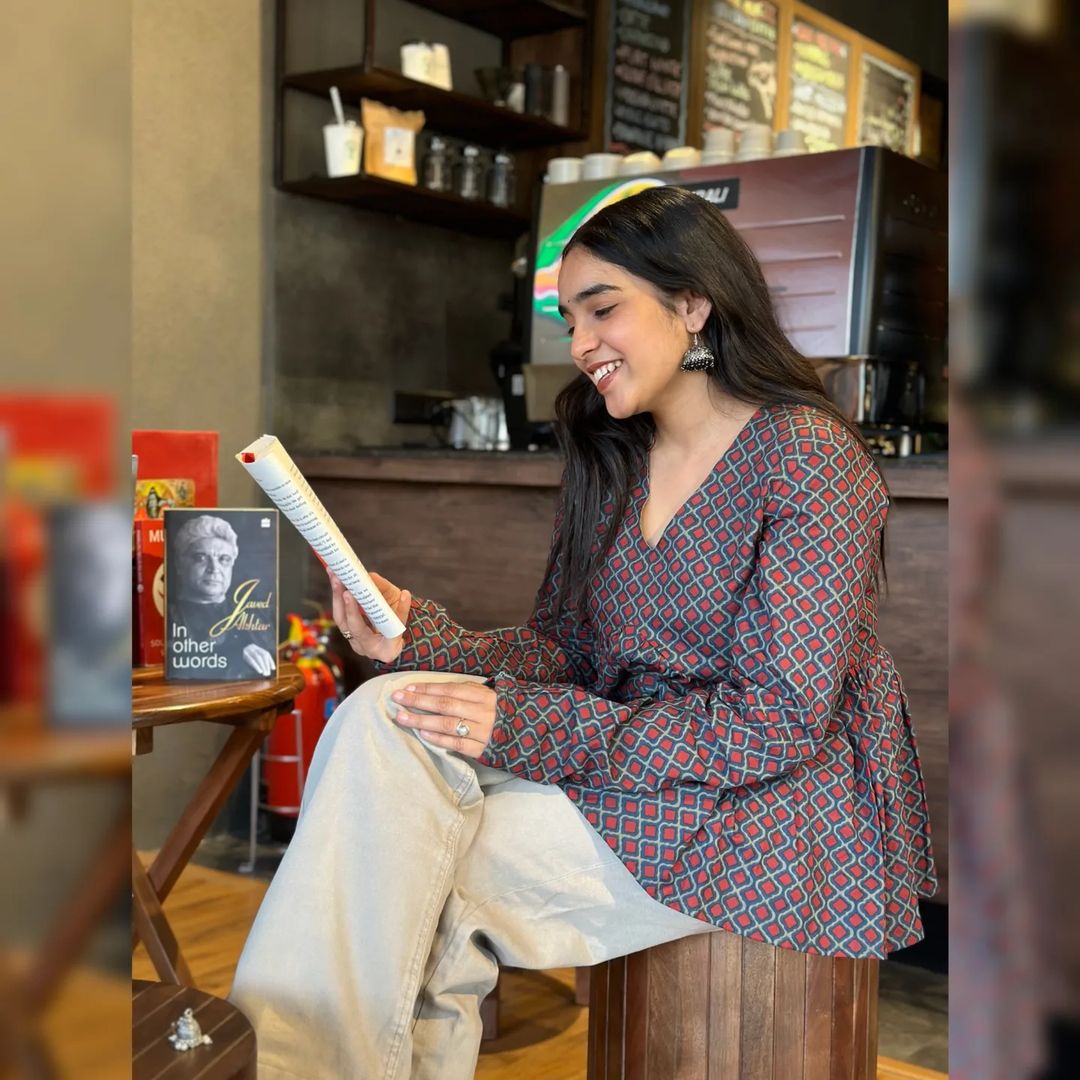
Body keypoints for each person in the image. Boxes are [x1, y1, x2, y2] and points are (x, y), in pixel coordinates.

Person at [230, 186, 936, 1078]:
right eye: (571, 319)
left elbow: (776, 723)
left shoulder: (807, 457)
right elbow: (565, 651)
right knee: (383, 711)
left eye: (604, 309)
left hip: (771, 807)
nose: (582, 344)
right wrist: (418, 639)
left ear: (692, 303)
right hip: (629, 770)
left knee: (418, 888)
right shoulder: (614, 454)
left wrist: (526, 726)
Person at [170, 514, 275, 678]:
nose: (214, 568)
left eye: (224, 559)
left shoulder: (256, 617)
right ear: (179, 564)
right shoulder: (169, 618)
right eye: (201, 558)